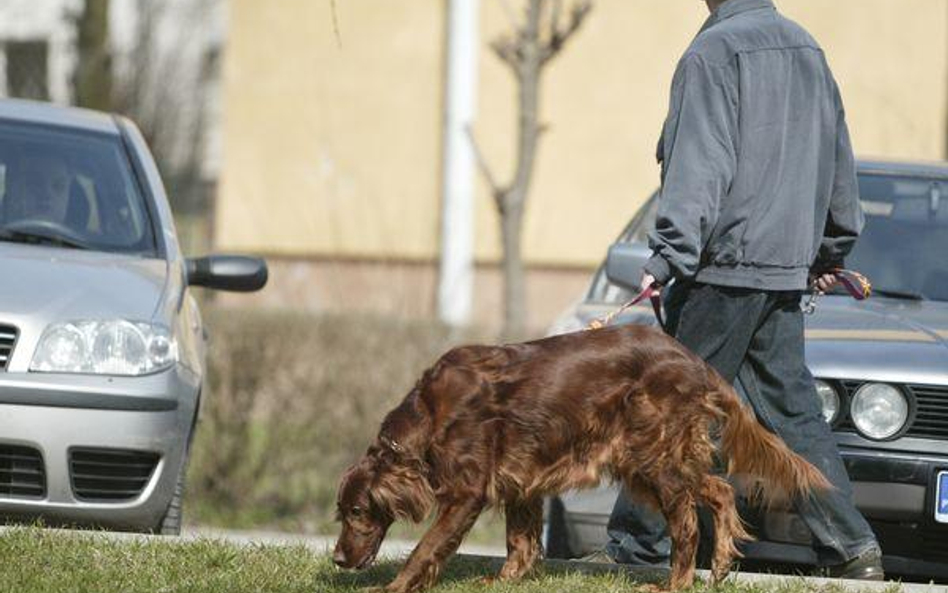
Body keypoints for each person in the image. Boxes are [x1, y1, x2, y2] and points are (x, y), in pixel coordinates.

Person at [601, 0, 884, 580]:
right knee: (793, 416)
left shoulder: (711, 53)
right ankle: (854, 550)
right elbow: (839, 168)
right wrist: (828, 251)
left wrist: (668, 255)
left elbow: (700, 168)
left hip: (721, 272)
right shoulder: (809, 50)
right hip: (779, 273)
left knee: (670, 409)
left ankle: (639, 548)